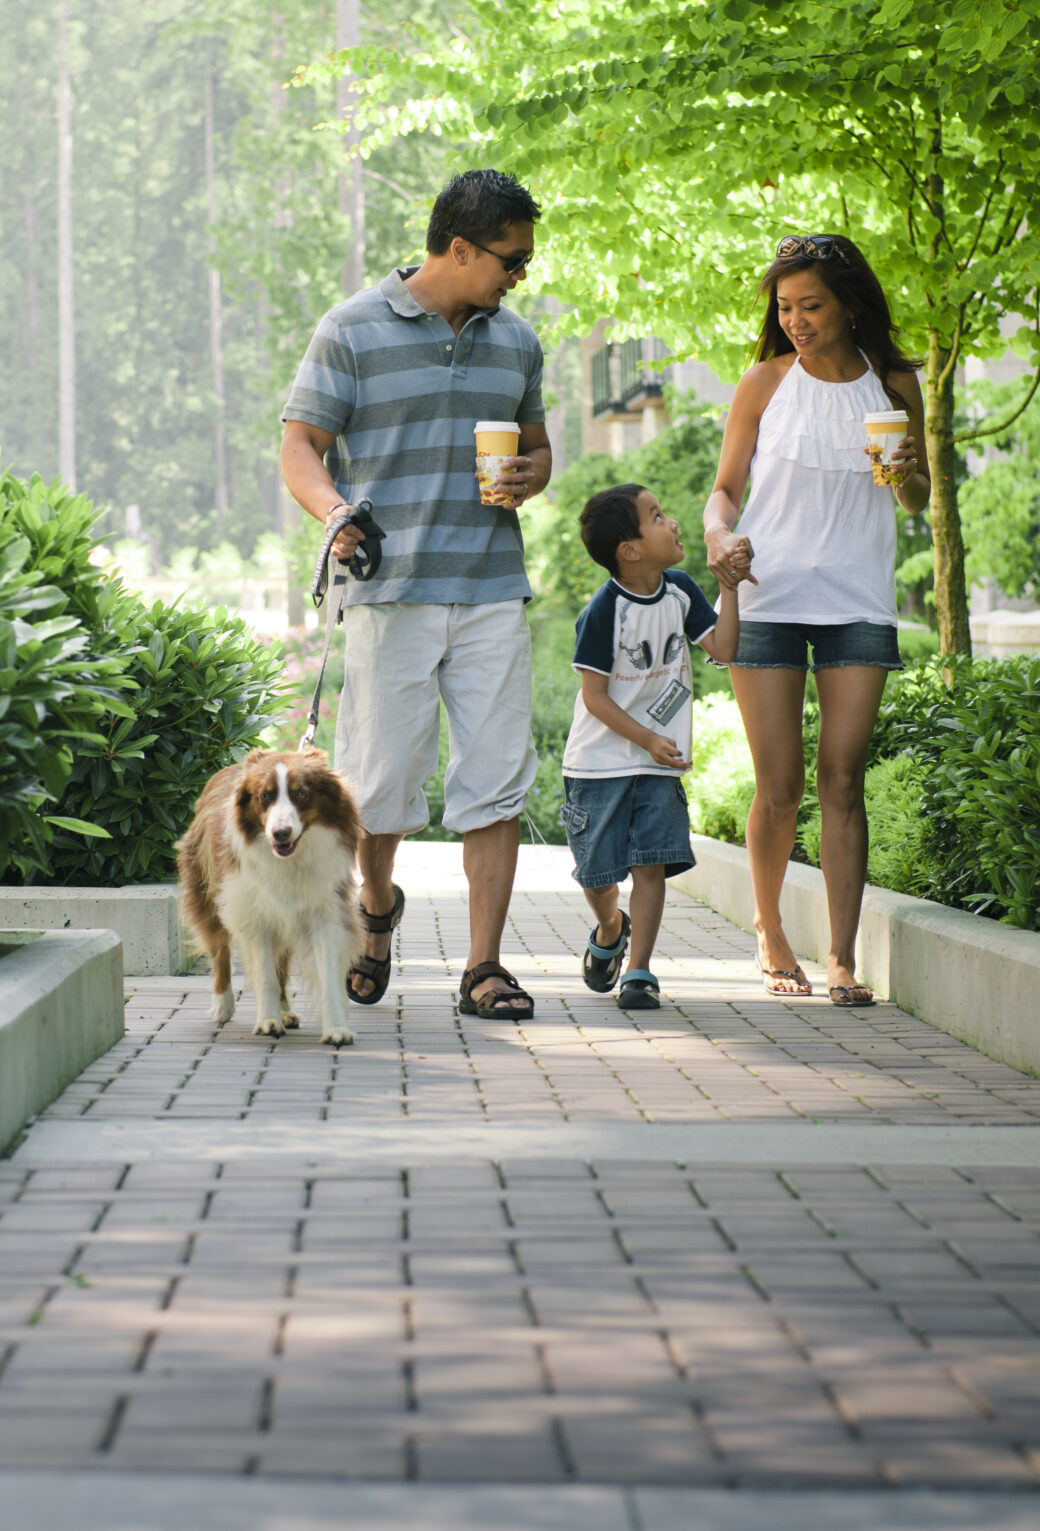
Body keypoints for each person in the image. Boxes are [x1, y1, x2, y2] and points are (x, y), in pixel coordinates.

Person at [278, 169, 550, 1021]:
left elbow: (539, 453)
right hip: (389, 593)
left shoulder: (517, 341)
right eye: (512, 259)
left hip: (490, 587)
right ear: (459, 247)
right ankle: (380, 904)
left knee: (496, 778)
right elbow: (299, 446)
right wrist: (334, 513)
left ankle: (484, 966)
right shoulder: (352, 329)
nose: (520, 276)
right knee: (381, 783)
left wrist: (526, 477)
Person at [700, 233, 929, 1004]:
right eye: (785, 307)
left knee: (842, 777)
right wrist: (718, 535)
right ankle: (770, 930)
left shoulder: (893, 381)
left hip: (857, 598)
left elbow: (919, 497)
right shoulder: (765, 382)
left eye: (811, 305)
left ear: (850, 303)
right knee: (781, 784)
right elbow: (725, 489)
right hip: (767, 590)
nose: (794, 319)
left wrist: (907, 478)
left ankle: (840, 957)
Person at [562, 483, 741, 1010]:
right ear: (630, 549)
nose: (674, 522)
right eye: (657, 515)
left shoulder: (681, 590)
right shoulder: (604, 610)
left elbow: (725, 648)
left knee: (651, 863)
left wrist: (728, 586)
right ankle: (610, 926)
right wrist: (646, 738)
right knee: (597, 876)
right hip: (598, 765)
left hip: (658, 767)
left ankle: (639, 970)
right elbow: (594, 697)